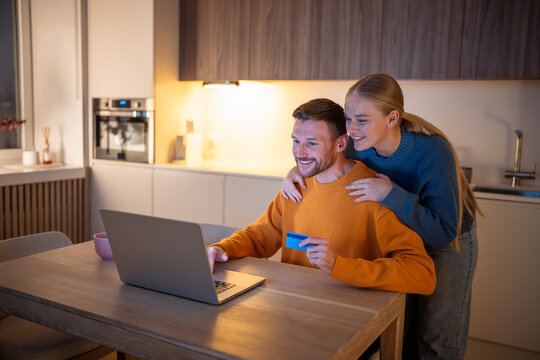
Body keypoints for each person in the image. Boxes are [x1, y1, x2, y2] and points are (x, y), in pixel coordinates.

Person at [281, 74, 480, 360]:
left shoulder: (434, 152)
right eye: (348, 118)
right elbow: (321, 156)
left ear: (392, 118)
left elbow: (443, 232)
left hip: (447, 236)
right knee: (403, 327)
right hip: (404, 230)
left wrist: (391, 194)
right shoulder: (354, 142)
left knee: (437, 336)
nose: (351, 128)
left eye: (362, 120)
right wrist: (295, 172)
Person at [207, 98, 436, 296]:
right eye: (296, 141)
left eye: (312, 143)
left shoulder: (373, 193)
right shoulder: (295, 186)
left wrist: (339, 265)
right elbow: (258, 238)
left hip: (348, 319)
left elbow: (422, 273)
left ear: (341, 143)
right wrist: (221, 249)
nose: (299, 152)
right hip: (292, 309)